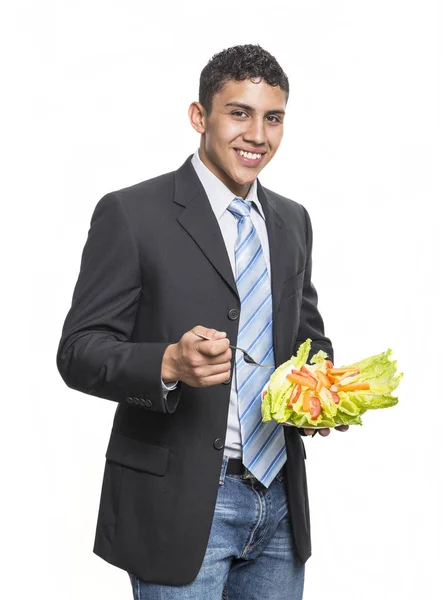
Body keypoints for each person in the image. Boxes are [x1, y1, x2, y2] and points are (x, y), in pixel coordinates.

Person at [57, 44, 348, 600]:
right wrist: (166, 362)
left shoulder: (291, 220)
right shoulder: (132, 213)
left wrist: (321, 389)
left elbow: (307, 335)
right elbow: (78, 351)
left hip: (280, 501)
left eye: (273, 117)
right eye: (239, 113)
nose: (257, 135)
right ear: (200, 116)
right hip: (182, 504)